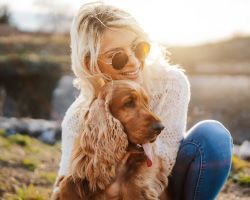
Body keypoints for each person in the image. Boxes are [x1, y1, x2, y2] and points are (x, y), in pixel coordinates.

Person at [55, 2, 233, 199]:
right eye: (117, 56)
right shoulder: (77, 117)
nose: (133, 61)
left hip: (163, 180)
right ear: (91, 63)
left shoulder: (171, 83)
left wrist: (127, 187)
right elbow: (66, 179)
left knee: (212, 136)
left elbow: (164, 158)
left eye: (138, 48)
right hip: (105, 190)